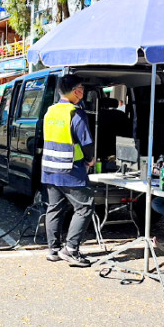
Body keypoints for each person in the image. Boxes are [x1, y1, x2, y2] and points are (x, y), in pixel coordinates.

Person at [41, 74, 96, 267]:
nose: (82, 92)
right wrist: (90, 160)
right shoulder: (75, 113)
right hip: (71, 170)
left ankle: (53, 250)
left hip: (49, 169)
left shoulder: (50, 111)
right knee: (85, 206)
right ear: (75, 91)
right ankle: (71, 249)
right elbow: (86, 142)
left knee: (54, 208)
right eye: (81, 88)